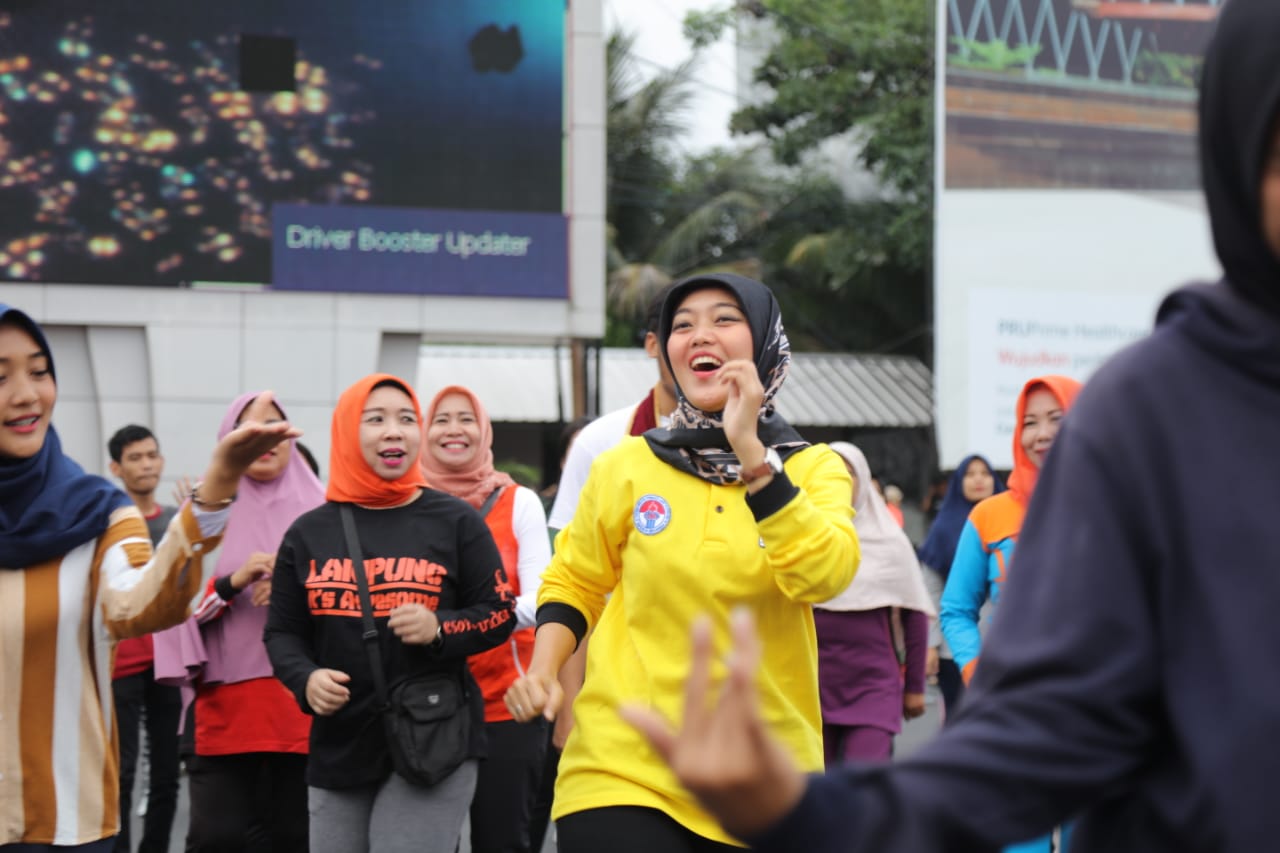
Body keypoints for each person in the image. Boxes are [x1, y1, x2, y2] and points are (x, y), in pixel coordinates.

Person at [619, 3, 1280, 850]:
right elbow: (1040, 718)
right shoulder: (1152, 418)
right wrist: (812, 811)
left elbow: (845, 569)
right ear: (1235, 153)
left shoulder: (820, 467)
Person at [504, 273, 859, 852]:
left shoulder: (816, 469)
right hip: (622, 766)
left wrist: (753, 456)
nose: (700, 335)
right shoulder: (625, 465)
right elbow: (575, 579)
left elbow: (824, 576)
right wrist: (545, 671)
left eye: (724, 319)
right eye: (683, 325)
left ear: (765, 342)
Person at [0, 303, 298, 851]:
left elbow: (142, 606)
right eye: (0, 377)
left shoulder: (96, 511)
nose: (25, 394)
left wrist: (217, 482)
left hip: (69, 817)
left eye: (40, 371)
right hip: (222, 713)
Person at [263, 374, 517, 853]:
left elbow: (498, 613)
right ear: (345, 431)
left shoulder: (455, 520)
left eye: (406, 419)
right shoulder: (308, 534)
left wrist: (439, 627)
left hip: (433, 738)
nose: (394, 431)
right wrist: (305, 679)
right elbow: (282, 633)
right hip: (340, 744)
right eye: (374, 419)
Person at [151, 392, 325, 853]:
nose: (264, 437)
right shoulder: (203, 520)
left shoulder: (326, 516)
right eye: (250, 427)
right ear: (228, 440)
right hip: (225, 709)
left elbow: (351, 605)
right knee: (217, 838)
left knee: (295, 836)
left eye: (275, 426)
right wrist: (232, 582)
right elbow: (172, 608)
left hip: (303, 706)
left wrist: (299, 592)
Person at [419, 385, 553, 853]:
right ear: (424, 431)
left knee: (503, 840)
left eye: (466, 418)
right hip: (423, 707)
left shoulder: (519, 503)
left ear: (484, 430)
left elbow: (540, 601)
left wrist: (450, 626)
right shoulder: (404, 504)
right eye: (441, 419)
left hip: (505, 704)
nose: (454, 429)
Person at [939, 376, 1081, 688]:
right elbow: (955, 611)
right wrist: (977, 673)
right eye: (1030, 423)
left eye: (1056, 419)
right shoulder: (989, 515)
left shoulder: (1117, 506)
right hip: (1016, 702)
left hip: (1104, 707)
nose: (1042, 434)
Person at [813, 443, 932, 766]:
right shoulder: (801, 540)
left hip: (872, 685)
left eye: (847, 471)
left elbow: (915, 616)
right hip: (811, 685)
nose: (838, 478)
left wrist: (915, 687)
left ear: (863, 479)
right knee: (817, 792)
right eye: (828, 469)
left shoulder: (890, 541)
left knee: (863, 784)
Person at [105, 424, 182, 853]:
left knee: (167, 774)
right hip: (121, 665)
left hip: (169, 664)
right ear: (116, 467)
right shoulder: (107, 524)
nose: (147, 464)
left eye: (152, 455)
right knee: (122, 772)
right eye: (135, 457)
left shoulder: (175, 520)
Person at [915, 453, 1004, 717]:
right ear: (958, 481)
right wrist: (930, 644)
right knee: (961, 719)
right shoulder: (944, 527)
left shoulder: (1013, 519)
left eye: (985, 473)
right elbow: (931, 590)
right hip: (955, 649)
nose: (978, 479)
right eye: (970, 473)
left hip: (1005, 641)